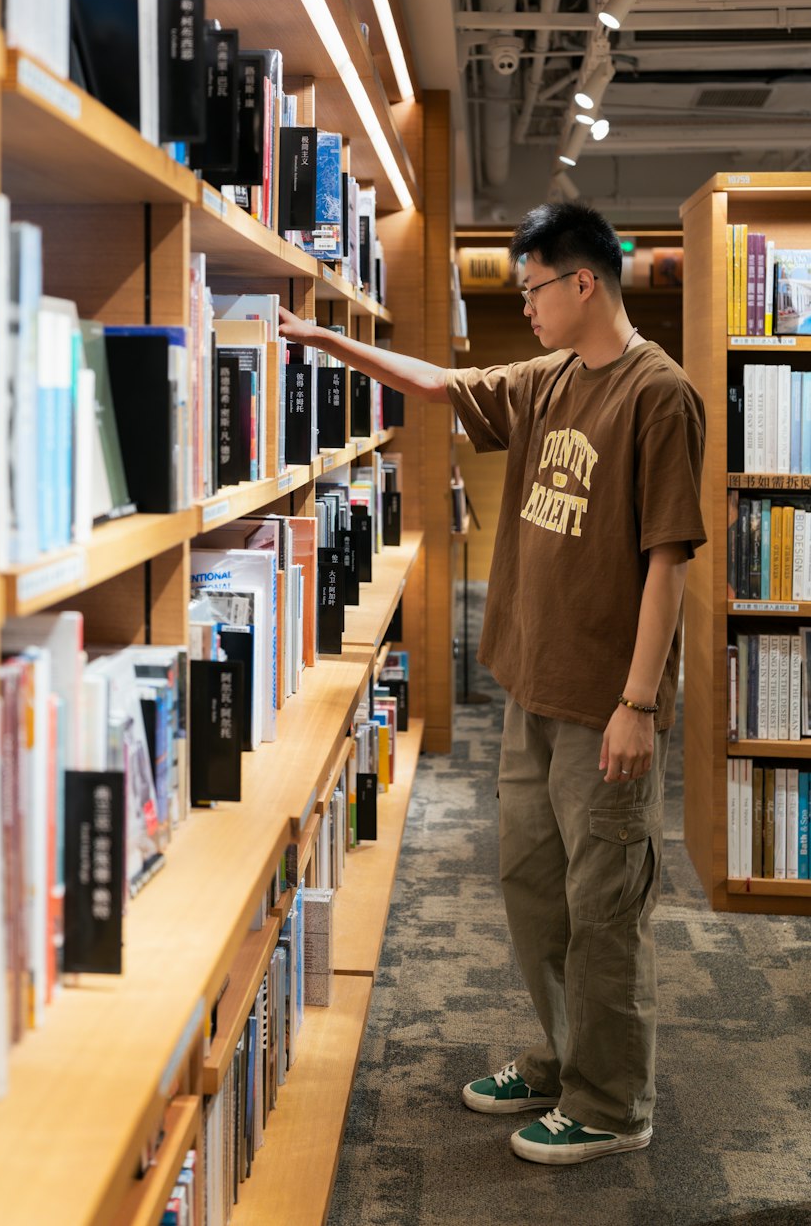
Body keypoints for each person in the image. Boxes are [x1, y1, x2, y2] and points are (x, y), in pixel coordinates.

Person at [277, 200, 706, 1166]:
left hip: (607, 705)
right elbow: (439, 383)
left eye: (534, 290)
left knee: (605, 905)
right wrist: (331, 344)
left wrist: (639, 704)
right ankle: (566, 1058)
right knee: (532, 888)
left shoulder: (657, 395)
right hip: (532, 688)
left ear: (582, 281)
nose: (528, 308)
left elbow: (670, 563)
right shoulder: (546, 379)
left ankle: (612, 1101)